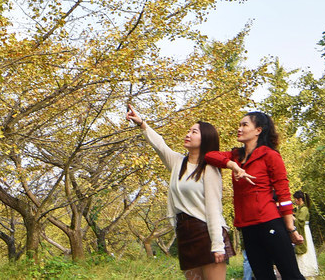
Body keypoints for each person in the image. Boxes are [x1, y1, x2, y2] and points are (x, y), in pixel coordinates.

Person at [127, 105, 233, 280]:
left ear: (205, 138)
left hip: (207, 233)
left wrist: (218, 245)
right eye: (188, 130)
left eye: (194, 132)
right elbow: (160, 145)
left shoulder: (210, 169)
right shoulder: (178, 163)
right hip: (185, 232)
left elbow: (214, 209)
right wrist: (141, 124)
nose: (188, 134)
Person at [205, 111, 305, 280]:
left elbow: (283, 193)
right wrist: (232, 166)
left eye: (244, 125)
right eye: (239, 125)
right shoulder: (236, 156)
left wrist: (290, 229)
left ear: (258, 130)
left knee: (291, 275)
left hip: (269, 222)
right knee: (262, 276)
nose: (239, 129)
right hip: (247, 226)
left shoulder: (270, 155)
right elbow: (209, 156)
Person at [293, 191, 319, 277]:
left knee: (305, 248)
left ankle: (307, 270)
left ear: (300, 199)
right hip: (303, 229)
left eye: (295, 199)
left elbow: (300, 221)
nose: (295, 201)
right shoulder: (300, 208)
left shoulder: (304, 209)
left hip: (304, 229)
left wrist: (292, 218)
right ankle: (301, 269)